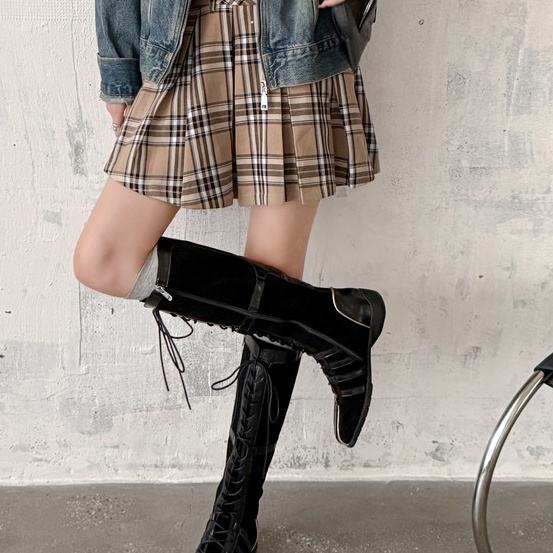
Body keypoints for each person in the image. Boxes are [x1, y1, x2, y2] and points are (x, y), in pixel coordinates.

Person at [73, 0, 385, 551]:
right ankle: (330, 323)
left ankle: (234, 524)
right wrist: (119, 69)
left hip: (291, 41)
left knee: (273, 279)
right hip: (180, 42)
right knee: (104, 260)